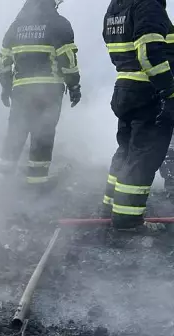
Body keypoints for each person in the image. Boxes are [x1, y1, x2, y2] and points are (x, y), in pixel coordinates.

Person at [102, 0, 174, 230]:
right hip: (149, 92)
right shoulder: (148, 5)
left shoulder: (117, 6)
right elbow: (149, 53)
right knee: (143, 157)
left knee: (126, 149)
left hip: (125, 88)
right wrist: (169, 90)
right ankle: (128, 220)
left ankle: (111, 204)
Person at [0, 0, 81, 188]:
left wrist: (5, 87)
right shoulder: (59, 24)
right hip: (48, 93)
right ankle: (36, 185)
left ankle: (1, 183)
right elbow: (67, 60)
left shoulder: (16, 26)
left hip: (20, 92)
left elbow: (4, 60)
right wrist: (74, 87)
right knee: (42, 137)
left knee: (15, 135)